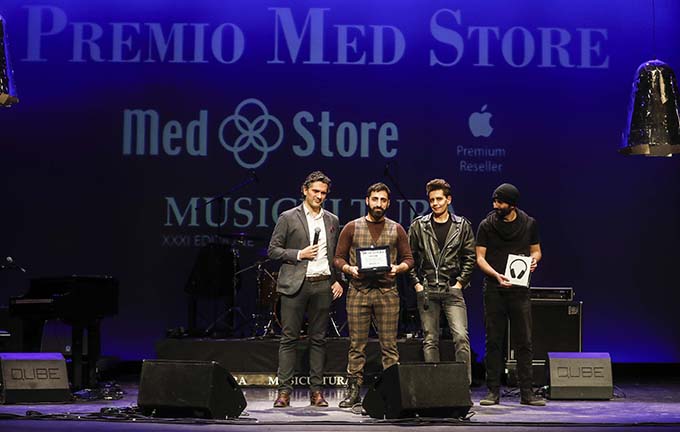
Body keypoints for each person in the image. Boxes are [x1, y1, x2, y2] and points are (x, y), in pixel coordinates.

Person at [333, 182, 414, 408]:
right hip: (358, 291)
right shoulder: (351, 227)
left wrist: (399, 268)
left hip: (387, 292)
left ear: (388, 203)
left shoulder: (397, 229)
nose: (379, 203)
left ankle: (391, 391)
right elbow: (337, 258)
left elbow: (409, 259)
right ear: (367, 201)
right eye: (375, 199)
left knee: (389, 346)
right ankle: (353, 391)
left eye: (383, 200)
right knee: (356, 345)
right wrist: (349, 269)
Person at [268, 171, 344, 408]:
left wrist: (336, 279)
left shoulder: (332, 220)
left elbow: (334, 253)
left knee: (318, 339)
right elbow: (273, 250)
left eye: (323, 193)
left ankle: (316, 392)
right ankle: (284, 392)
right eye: (315, 191)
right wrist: (299, 254)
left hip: (322, 284)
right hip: (295, 284)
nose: (319, 196)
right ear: (305, 190)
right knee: (289, 338)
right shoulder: (288, 217)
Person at [476, 183, 545, 406]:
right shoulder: (487, 225)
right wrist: (495, 275)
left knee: (524, 341)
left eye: (500, 202)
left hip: (519, 290)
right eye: (494, 201)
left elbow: (536, 251)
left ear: (512, 204)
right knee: (494, 341)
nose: (495, 205)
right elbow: (480, 257)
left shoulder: (528, 223)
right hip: (494, 289)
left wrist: (533, 261)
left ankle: (527, 392)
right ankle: (492, 391)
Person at [407, 179, 476, 384]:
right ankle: (434, 387)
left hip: (452, 289)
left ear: (448, 200)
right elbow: (409, 258)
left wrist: (460, 283)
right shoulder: (419, 226)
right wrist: (417, 284)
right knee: (430, 340)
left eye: (439, 199)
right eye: (432, 200)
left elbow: (470, 257)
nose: (435, 203)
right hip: (427, 289)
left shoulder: (461, 225)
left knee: (461, 337)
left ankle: (462, 385)